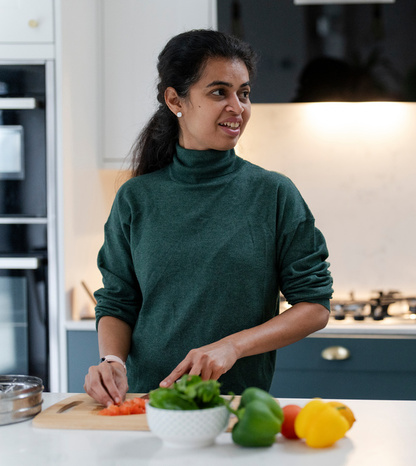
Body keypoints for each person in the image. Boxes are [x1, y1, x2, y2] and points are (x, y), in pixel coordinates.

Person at [84, 29, 333, 407]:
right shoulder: (136, 198)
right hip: (146, 405)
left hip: (237, 407)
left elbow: (314, 307)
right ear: (175, 99)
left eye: (244, 93)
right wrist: (112, 360)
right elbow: (118, 301)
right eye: (219, 92)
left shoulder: (273, 194)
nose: (238, 107)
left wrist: (232, 347)